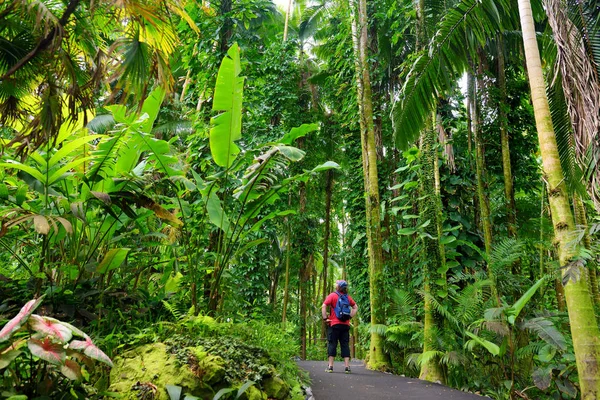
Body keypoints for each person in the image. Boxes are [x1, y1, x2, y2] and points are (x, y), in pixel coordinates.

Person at [321, 279, 358, 373]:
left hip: (334, 324)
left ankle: (330, 367)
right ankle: (347, 367)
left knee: (332, 344)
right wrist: (349, 316)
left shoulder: (333, 295)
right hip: (345, 325)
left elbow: (324, 306)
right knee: (345, 345)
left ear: (338, 287)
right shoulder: (347, 297)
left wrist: (325, 318)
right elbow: (355, 307)